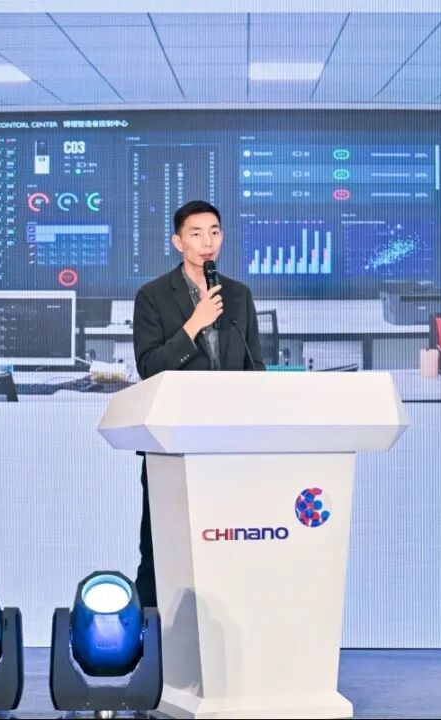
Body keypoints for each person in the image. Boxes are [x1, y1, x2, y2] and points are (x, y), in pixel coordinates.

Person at [130, 200, 266, 607]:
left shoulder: (238, 295)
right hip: (172, 444)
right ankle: (153, 635)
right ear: (178, 242)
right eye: (196, 233)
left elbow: (254, 365)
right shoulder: (152, 296)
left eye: (214, 232)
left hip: (229, 445)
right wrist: (195, 324)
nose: (208, 242)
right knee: (161, 550)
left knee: (230, 545)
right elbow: (150, 367)